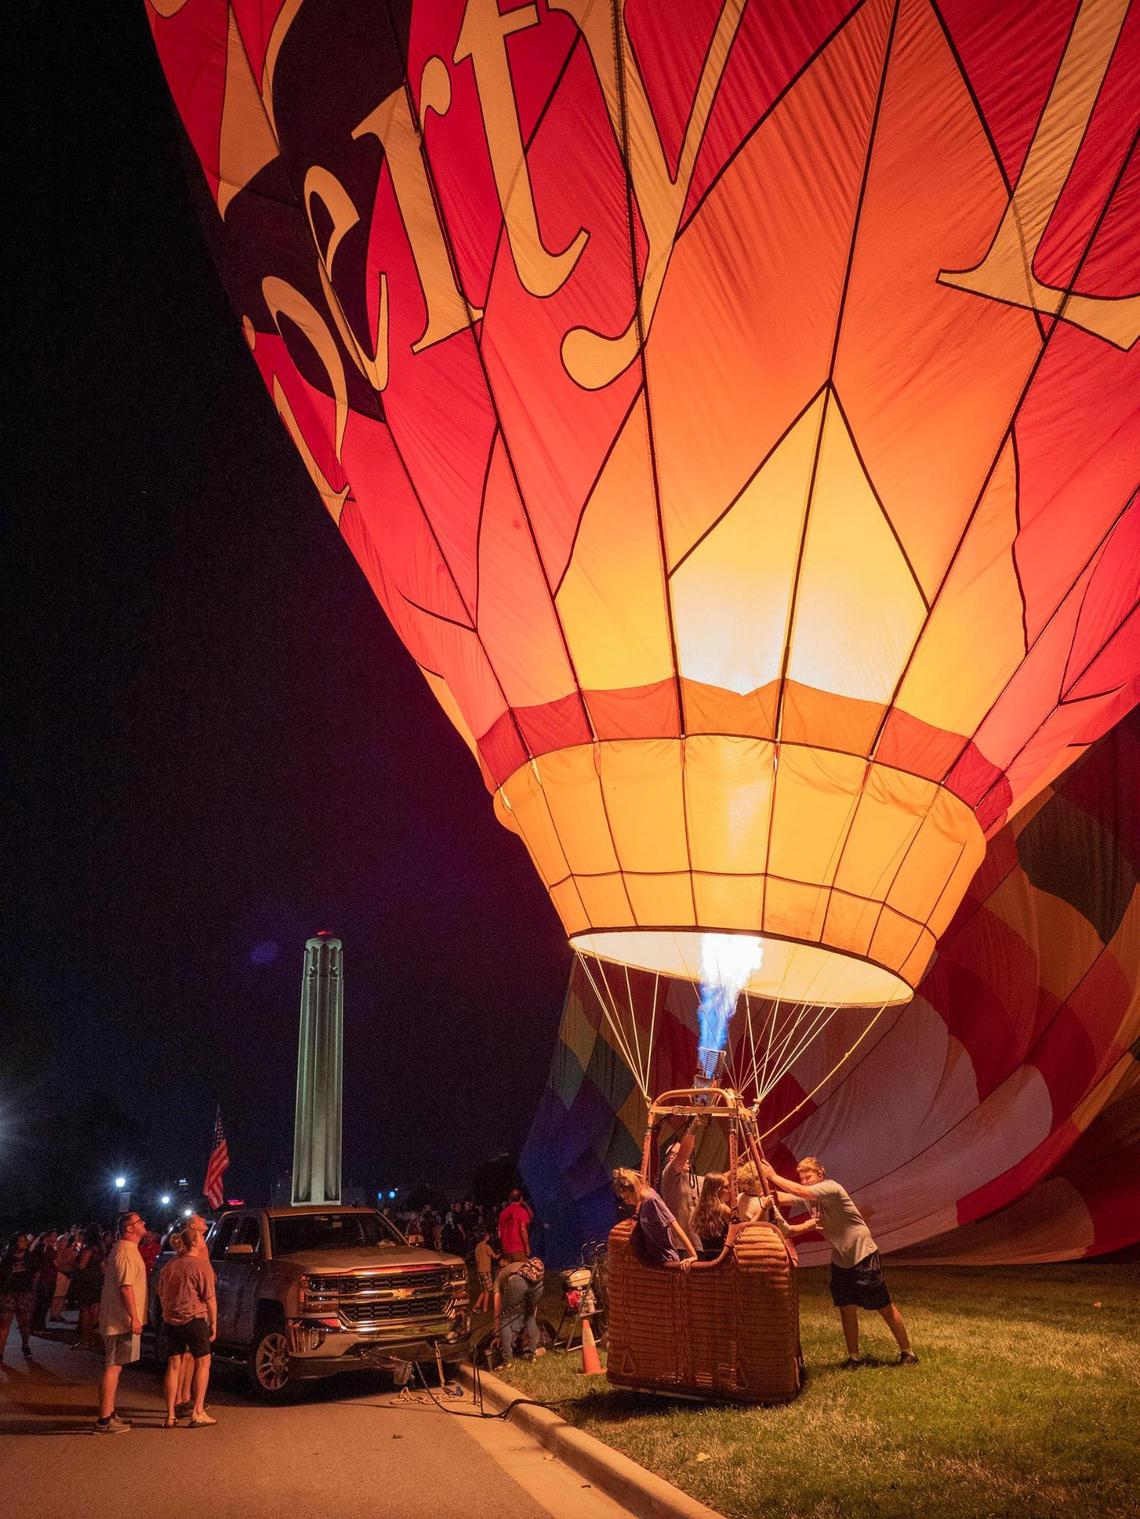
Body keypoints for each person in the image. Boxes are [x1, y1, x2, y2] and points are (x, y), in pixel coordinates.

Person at [760, 1156, 918, 1368]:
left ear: (820, 1174)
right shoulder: (809, 1196)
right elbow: (783, 1197)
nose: (805, 1181)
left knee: (883, 1305)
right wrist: (757, 1186)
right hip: (841, 1257)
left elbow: (800, 1191)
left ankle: (908, 1353)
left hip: (862, 1253)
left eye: (808, 1176)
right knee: (846, 1306)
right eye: (802, 1178)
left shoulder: (831, 1188)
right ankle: (854, 1357)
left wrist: (773, 1176)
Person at [94, 1211, 148, 1433]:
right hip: (120, 1321)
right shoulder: (125, 1251)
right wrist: (134, 1317)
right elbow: (126, 1287)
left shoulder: (127, 1249)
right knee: (113, 1367)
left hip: (121, 1318)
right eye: (139, 1221)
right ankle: (104, 1420)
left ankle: (110, 1412)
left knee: (116, 1367)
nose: (143, 1223)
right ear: (129, 1228)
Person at [157, 1229, 217, 1427]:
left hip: (171, 1321)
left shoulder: (170, 1266)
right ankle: (198, 1412)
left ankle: (170, 1415)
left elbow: (161, 1292)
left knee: (174, 1365)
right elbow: (210, 1297)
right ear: (195, 1242)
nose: (203, 1238)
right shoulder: (201, 1265)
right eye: (200, 1237)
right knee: (203, 1363)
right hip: (194, 1319)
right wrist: (214, 1322)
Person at [611, 1169, 698, 1267]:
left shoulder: (652, 1200)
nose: (627, 1202)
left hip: (666, 1259)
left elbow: (674, 1224)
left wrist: (693, 1255)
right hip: (655, 1261)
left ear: (634, 1189)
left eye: (627, 1197)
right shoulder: (641, 1203)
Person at [492, 1255, 544, 1363]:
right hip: (539, 1283)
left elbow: (497, 1310)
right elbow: (532, 1309)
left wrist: (497, 1334)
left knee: (505, 1318)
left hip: (518, 1282)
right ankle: (531, 1354)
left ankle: (508, 1360)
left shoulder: (498, 1279)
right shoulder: (521, 1266)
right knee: (529, 1316)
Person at [659, 1122, 704, 1243]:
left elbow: (716, 1181)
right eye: (686, 1157)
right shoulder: (669, 1174)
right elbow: (683, 1155)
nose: (688, 1160)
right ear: (671, 1158)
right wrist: (693, 1129)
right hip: (678, 1244)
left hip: (694, 1242)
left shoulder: (692, 1180)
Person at [0, 1233, 37, 1360]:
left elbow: (36, 1273)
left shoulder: (30, 1258)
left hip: (24, 1293)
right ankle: (1, 1352)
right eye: (21, 1241)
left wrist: (33, 1288)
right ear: (15, 1243)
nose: (24, 1243)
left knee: (24, 1323)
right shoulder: (6, 1259)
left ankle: (25, 1345)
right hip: (8, 1293)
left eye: (25, 1240)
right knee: (4, 1323)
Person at [73, 1225, 105, 1350]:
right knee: (95, 1309)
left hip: (87, 1280)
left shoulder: (88, 1249)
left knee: (85, 1310)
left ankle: (85, 1339)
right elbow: (103, 1267)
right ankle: (92, 1337)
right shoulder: (100, 1249)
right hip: (97, 1280)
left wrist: (72, 1262)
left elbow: (82, 1265)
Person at [691, 1172, 731, 1254]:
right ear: (716, 1190)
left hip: (705, 1255)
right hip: (722, 1256)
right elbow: (737, 1232)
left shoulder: (699, 1209)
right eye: (726, 1187)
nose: (729, 1190)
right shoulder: (723, 1209)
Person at [497, 1188, 532, 1263]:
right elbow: (523, 1229)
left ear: (510, 1198)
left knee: (510, 1270)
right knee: (522, 1269)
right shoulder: (521, 1211)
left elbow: (499, 1235)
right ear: (521, 1198)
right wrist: (527, 1246)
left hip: (506, 1250)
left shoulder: (503, 1213)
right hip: (518, 1248)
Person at [473, 1229, 500, 1313]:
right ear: (485, 1237)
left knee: (483, 1290)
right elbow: (495, 1257)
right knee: (488, 1290)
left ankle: (476, 1306)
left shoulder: (477, 1247)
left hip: (479, 1271)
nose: (489, 1237)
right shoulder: (486, 1247)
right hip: (486, 1271)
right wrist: (502, 1253)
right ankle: (485, 1309)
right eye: (488, 1235)